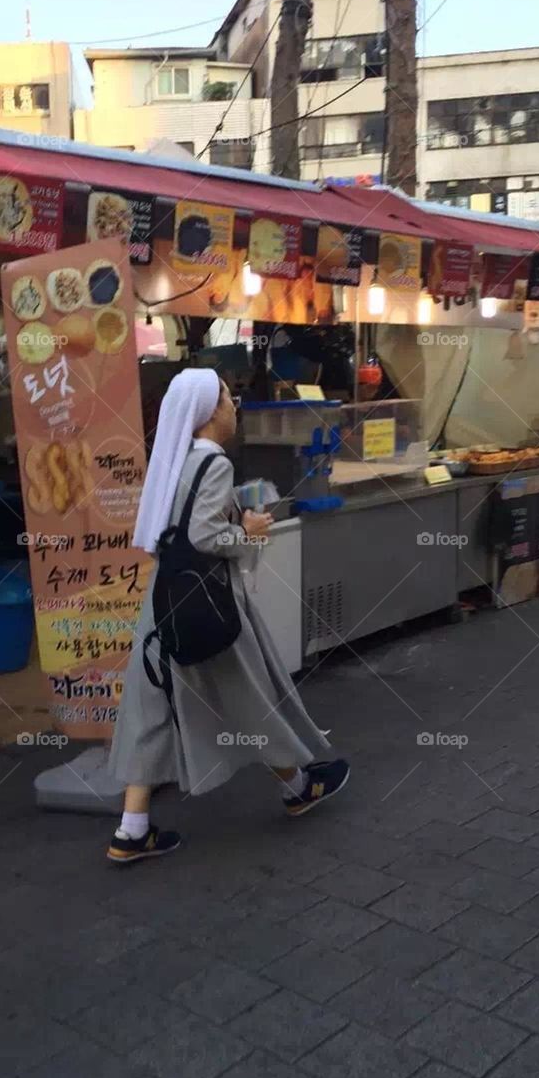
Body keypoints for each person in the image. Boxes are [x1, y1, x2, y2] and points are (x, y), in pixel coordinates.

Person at [106, 367, 349, 864]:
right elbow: (204, 538)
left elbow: (173, 529)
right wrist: (251, 531)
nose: (234, 404)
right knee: (246, 694)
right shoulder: (213, 464)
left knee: (152, 707)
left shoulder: (174, 459)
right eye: (227, 397)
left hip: (163, 602)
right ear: (209, 411)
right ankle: (299, 786)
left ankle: (131, 830)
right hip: (207, 600)